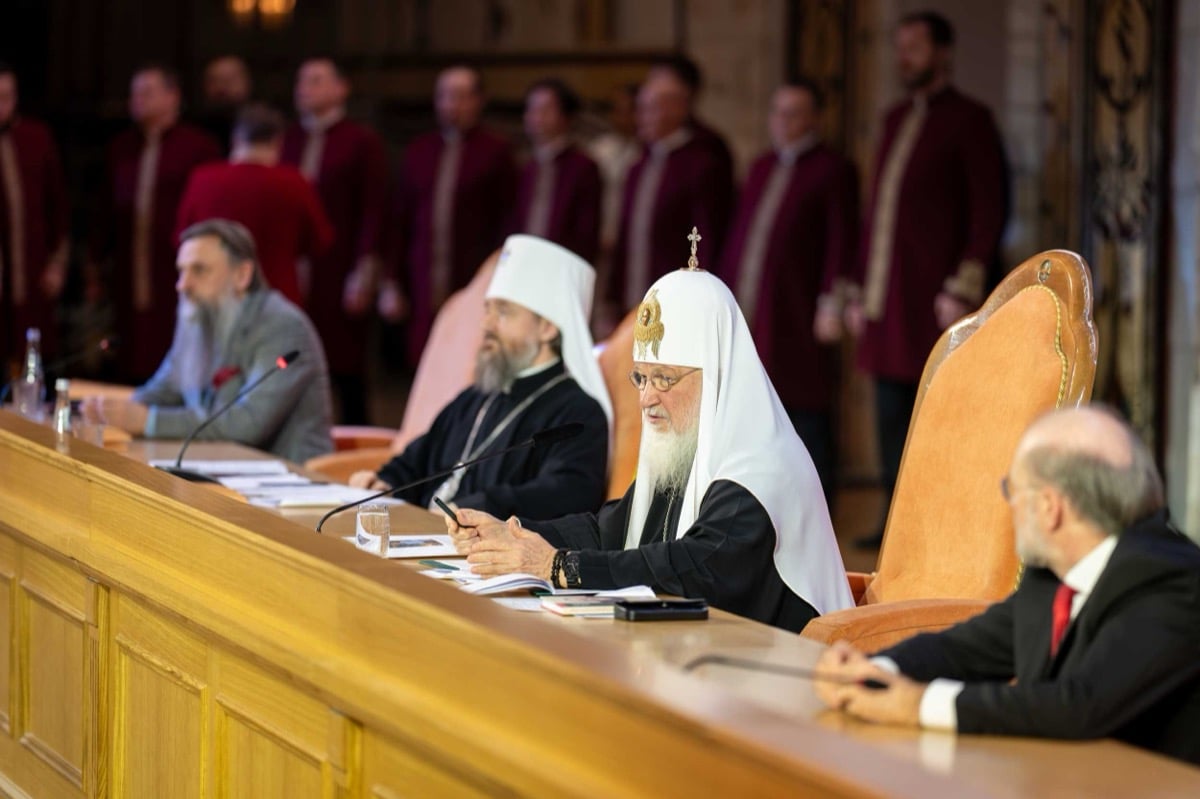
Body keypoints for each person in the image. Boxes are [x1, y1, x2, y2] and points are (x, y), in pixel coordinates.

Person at [446, 238, 853, 632]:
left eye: (665, 378)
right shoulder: (687, 449)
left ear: (715, 378)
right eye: (641, 377)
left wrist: (557, 566)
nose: (646, 398)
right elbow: (611, 531)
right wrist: (515, 532)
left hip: (784, 679)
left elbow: (694, 567)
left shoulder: (762, 467)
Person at [814, 405, 1200, 765]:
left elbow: (1079, 706)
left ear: (1050, 507)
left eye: (1012, 491)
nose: (1009, 506)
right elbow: (963, 649)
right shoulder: (1052, 575)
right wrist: (870, 672)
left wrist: (918, 706)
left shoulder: (1174, 582)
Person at [845, 10, 1008, 547]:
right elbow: (875, 216)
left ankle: (938, 528)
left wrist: (963, 285)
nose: (904, 57)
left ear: (943, 53)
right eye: (900, 47)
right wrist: (857, 291)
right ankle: (896, 525)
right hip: (887, 297)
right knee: (889, 416)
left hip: (934, 299)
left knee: (938, 415)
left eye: (915, 47)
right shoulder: (893, 119)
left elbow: (988, 209)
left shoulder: (969, 119)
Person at [350, 235, 611, 520]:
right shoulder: (476, 397)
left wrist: (480, 506)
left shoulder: (577, 414)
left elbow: (566, 494)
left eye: (503, 312)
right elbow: (414, 463)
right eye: (487, 310)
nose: (486, 324)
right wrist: (384, 484)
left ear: (548, 328)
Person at [81, 219, 333, 463]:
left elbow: (247, 423)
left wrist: (148, 421)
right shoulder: (199, 323)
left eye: (199, 270)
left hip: (295, 488)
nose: (182, 285)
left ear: (242, 275)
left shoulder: (283, 326)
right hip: (223, 474)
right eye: (181, 271)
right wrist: (108, 412)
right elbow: (162, 391)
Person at [718, 80, 858, 507]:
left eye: (794, 113)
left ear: (815, 118)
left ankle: (816, 510)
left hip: (801, 312)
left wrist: (832, 302)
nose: (783, 121)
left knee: (805, 411)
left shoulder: (834, 168)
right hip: (754, 309)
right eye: (777, 112)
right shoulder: (761, 166)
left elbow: (843, 239)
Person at [91, 64, 222, 382]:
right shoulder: (120, 148)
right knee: (129, 345)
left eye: (147, 92)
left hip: (177, 267)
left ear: (172, 96)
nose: (138, 100)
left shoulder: (199, 147)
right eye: (134, 93)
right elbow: (104, 209)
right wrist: (94, 265)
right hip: (128, 264)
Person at [281, 57, 389, 424]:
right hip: (293, 269)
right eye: (300, 81)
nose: (303, 88)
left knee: (346, 366)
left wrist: (365, 269)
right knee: (290, 362)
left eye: (314, 80)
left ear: (341, 88)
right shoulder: (289, 139)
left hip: (340, 266)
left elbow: (374, 208)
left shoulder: (360, 141)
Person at [390, 65, 517, 366]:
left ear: (478, 101)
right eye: (444, 97)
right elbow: (400, 219)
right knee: (423, 359)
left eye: (460, 97)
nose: (451, 105)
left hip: (475, 278)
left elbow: (509, 221)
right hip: (423, 277)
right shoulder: (420, 151)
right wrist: (392, 281)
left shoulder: (496, 151)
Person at [176, 103, 334, 305]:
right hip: (277, 301)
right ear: (278, 141)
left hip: (217, 301)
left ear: (237, 139)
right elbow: (319, 241)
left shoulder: (203, 180)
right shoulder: (295, 183)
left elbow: (183, 237)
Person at [608, 69, 733, 315]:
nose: (640, 118)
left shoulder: (701, 164)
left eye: (648, 109)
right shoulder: (638, 165)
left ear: (677, 109)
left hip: (679, 302)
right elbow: (624, 236)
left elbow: (707, 238)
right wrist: (612, 298)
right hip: (634, 294)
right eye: (640, 109)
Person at [0, 62, 69, 368]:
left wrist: (56, 265)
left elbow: (58, 206)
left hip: (31, 271)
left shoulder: (36, 137)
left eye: (6, 97)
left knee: (30, 350)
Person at [508, 78, 601, 264]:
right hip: (522, 263)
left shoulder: (583, 166)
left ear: (565, 116)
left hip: (563, 264)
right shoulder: (525, 166)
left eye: (545, 110)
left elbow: (586, 231)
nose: (536, 118)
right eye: (531, 110)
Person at [195, 55, 252, 152]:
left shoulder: (263, 124)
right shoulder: (195, 130)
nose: (222, 87)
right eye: (214, 80)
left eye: (230, 80)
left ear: (246, 82)